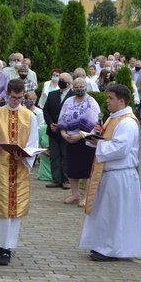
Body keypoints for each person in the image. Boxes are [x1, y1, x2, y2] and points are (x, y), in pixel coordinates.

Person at [80, 84, 141, 261]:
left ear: (121, 101)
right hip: (109, 173)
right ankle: (102, 245)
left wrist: (97, 143)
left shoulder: (127, 122)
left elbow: (120, 149)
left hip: (120, 174)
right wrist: (95, 136)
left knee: (115, 214)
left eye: (110, 98)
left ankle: (112, 249)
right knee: (105, 213)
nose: (107, 101)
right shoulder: (112, 118)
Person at [0, 79, 39, 266]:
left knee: (13, 207)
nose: (16, 101)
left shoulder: (29, 116)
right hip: (1, 165)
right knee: (1, 204)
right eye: (13, 98)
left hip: (20, 166)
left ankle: (7, 247)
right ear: (7, 94)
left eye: (20, 98)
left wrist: (24, 155)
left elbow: (33, 142)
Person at [57, 78, 100, 207]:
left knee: (86, 170)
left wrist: (79, 135)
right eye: (76, 86)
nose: (79, 88)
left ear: (86, 87)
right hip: (69, 139)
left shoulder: (91, 102)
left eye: (82, 86)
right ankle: (75, 194)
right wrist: (64, 134)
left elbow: (93, 122)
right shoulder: (69, 101)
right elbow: (61, 118)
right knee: (72, 168)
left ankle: (87, 196)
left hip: (85, 140)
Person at [43, 73, 74, 189]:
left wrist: (62, 126)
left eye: (63, 80)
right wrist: (50, 123)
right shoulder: (52, 94)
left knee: (65, 156)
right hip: (52, 130)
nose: (60, 81)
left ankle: (67, 180)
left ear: (69, 83)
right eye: (59, 79)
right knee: (54, 156)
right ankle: (56, 179)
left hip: (66, 132)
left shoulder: (73, 96)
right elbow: (45, 111)